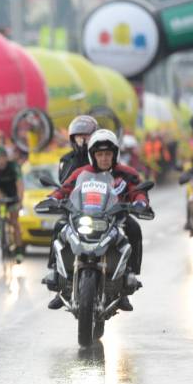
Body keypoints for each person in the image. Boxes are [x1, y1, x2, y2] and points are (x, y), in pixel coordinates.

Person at [45, 129, 149, 311]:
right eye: (100, 154)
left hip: (116, 219)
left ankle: (128, 280)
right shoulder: (81, 173)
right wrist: (54, 198)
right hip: (84, 216)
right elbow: (65, 189)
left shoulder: (126, 173)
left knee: (134, 228)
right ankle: (56, 275)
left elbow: (138, 191)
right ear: (93, 156)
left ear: (115, 154)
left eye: (108, 154)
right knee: (60, 226)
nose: (104, 158)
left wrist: (140, 202)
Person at [58, 115, 98, 184]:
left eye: (86, 136)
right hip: (75, 193)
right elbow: (64, 183)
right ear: (73, 139)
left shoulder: (101, 155)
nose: (83, 141)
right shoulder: (67, 159)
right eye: (79, 137)